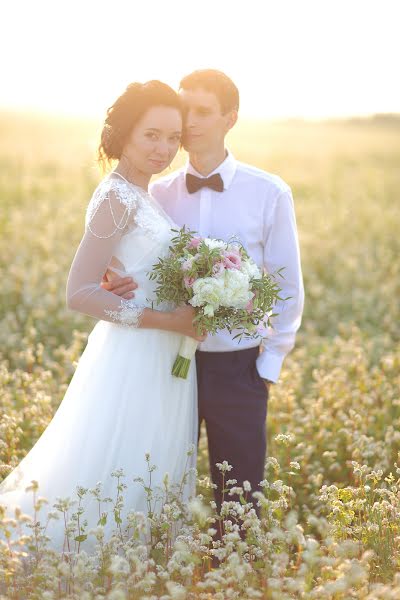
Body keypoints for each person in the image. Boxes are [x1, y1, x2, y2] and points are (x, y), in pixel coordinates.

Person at [0, 80, 204, 552]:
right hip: (134, 353)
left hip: (164, 353)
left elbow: (131, 268)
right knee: (120, 460)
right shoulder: (118, 196)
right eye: (151, 134)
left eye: (173, 138)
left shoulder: (143, 194)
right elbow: (80, 292)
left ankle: (140, 564)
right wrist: (168, 320)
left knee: (149, 461)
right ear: (124, 133)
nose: (164, 148)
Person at [104, 70, 304, 512]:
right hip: (167, 361)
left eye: (203, 111)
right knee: (157, 482)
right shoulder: (156, 192)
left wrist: (268, 364)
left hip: (239, 365)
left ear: (230, 118)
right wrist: (120, 281)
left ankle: (234, 574)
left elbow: (287, 285)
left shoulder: (269, 193)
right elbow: (137, 266)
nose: (189, 122)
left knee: (240, 493)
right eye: (184, 110)